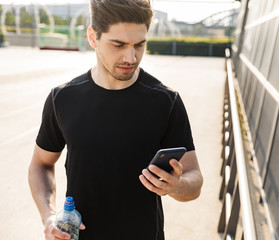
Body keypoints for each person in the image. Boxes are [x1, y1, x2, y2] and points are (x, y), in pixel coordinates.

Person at [28, 0, 203, 239]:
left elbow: (194, 178)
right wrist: (48, 215)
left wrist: (177, 185)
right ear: (93, 37)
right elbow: (41, 164)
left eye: (139, 45)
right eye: (118, 45)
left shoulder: (166, 101)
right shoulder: (63, 98)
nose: (130, 57)